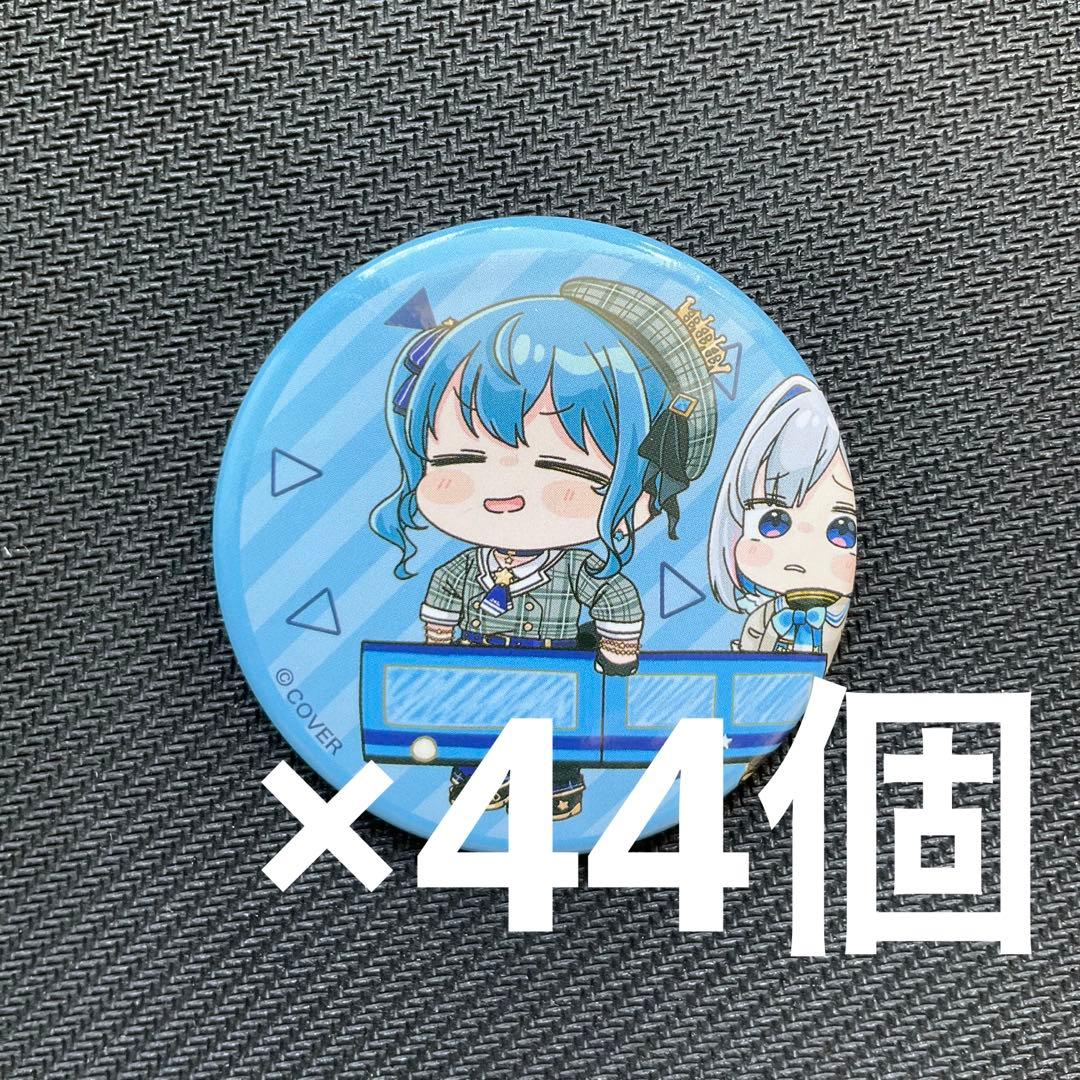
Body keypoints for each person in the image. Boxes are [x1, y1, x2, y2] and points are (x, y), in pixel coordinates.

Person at [372, 278, 722, 818]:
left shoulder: (580, 569)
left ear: (641, 483)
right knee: (477, 732)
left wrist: (617, 651)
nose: (505, 495)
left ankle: (556, 782)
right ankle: (478, 777)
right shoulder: (464, 569)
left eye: (560, 467)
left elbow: (612, 598)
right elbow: (443, 595)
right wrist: (439, 649)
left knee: (557, 732)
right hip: (478, 672)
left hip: (556, 673)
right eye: (458, 460)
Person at [707, 375, 856, 665]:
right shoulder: (768, 613)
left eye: (840, 530)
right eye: (774, 522)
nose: (802, 552)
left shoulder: (835, 614)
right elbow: (751, 642)